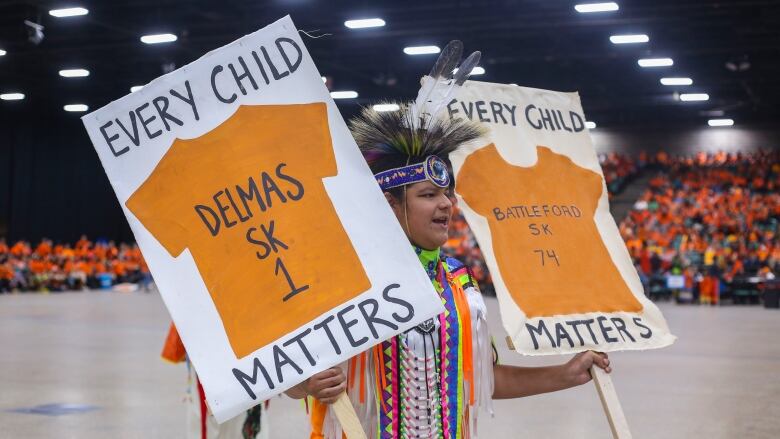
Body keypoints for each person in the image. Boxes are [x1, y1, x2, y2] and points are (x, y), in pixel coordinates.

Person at [284, 103, 611, 439]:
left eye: (446, 193)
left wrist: (566, 374)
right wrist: (306, 384)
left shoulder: (459, 284)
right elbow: (280, 372)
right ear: (389, 203)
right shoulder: (344, 279)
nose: (446, 204)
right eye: (428, 194)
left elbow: (482, 379)